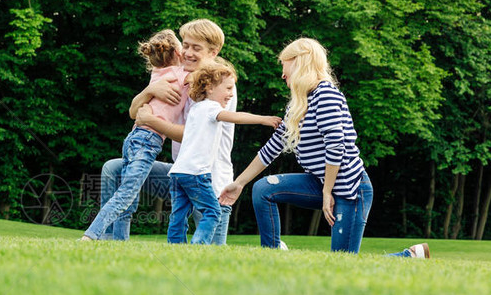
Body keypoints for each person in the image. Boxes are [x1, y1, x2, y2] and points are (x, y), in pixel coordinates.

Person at [218, 37, 430, 258]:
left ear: (300, 62)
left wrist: (328, 191)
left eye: (284, 65)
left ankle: (409, 256)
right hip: (322, 185)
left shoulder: (325, 94)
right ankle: (272, 256)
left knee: (342, 264)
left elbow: (335, 145)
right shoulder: (299, 104)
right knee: (263, 189)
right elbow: (272, 147)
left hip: (351, 190)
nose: (282, 74)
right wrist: (239, 183)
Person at [98, 19, 235, 242]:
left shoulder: (220, 84)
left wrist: (151, 120)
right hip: (180, 176)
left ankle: (277, 247)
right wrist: (150, 90)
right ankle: (112, 241)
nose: (187, 53)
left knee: (209, 262)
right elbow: (134, 112)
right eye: (186, 45)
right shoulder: (179, 76)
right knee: (114, 169)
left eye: (196, 48)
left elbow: (191, 135)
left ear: (214, 51)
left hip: (209, 182)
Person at [81, 30, 188, 241]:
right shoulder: (179, 75)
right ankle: (91, 236)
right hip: (147, 141)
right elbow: (205, 73)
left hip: (135, 139)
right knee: (126, 194)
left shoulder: (157, 75)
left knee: (129, 197)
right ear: (178, 52)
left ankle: (119, 242)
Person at [167, 59, 281, 244]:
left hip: (178, 172)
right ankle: (198, 246)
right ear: (210, 88)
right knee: (213, 212)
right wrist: (263, 119)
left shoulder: (195, 109)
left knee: (178, 215)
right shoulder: (212, 107)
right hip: (196, 173)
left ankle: (175, 245)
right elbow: (234, 117)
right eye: (228, 89)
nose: (230, 94)